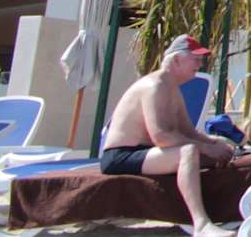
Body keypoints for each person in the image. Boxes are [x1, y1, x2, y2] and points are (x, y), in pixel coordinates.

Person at [98, 35, 236, 237]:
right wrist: (205, 147)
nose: (200, 64)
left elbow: (188, 132)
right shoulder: (154, 86)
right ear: (177, 60)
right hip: (121, 156)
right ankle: (201, 224)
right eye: (195, 59)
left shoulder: (172, 88)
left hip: (148, 153)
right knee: (189, 152)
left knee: (214, 152)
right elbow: (161, 136)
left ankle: (225, 212)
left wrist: (216, 143)